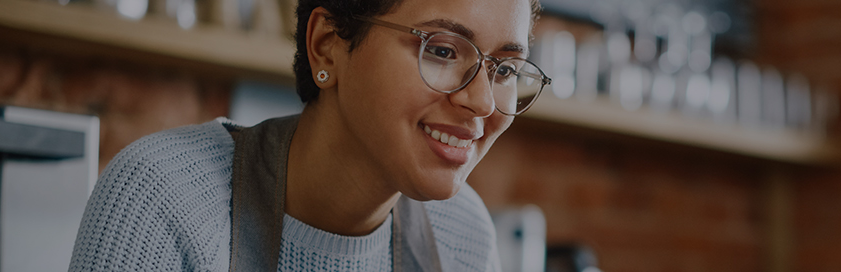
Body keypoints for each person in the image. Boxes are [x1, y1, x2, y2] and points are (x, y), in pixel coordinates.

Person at [67, 0, 548, 270]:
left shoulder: (462, 237)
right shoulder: (164, 197)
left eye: (505, 69)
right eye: (442, 51)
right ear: (327, 47)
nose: (483, 102)